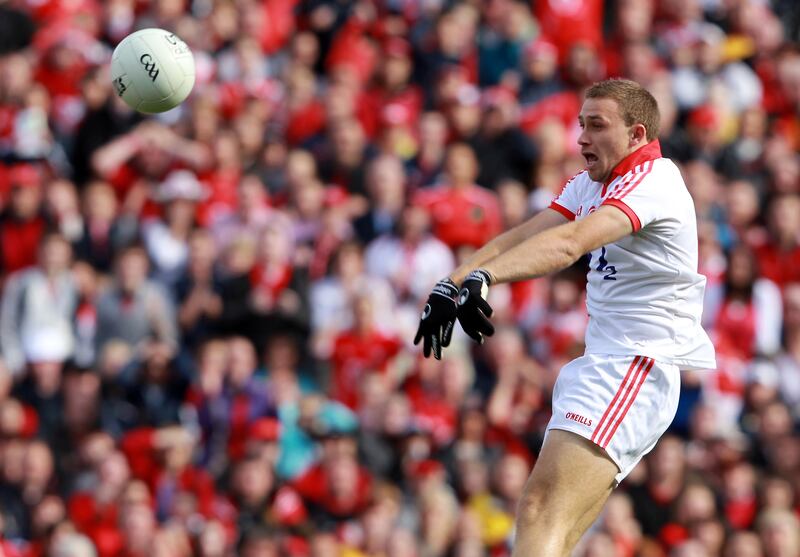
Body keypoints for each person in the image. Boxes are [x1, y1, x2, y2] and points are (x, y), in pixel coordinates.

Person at [414, 78, 716, 557]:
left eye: (597, 126)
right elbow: (527, 234)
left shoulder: (655, 179)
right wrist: (453, 281)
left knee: (537, 508)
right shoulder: (592, 182)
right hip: (608, 364)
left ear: (637, 135)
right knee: (554, 531)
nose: (581, 139)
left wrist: (485, 279)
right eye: (581, 125)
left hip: (635, 365)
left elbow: (570, 243)